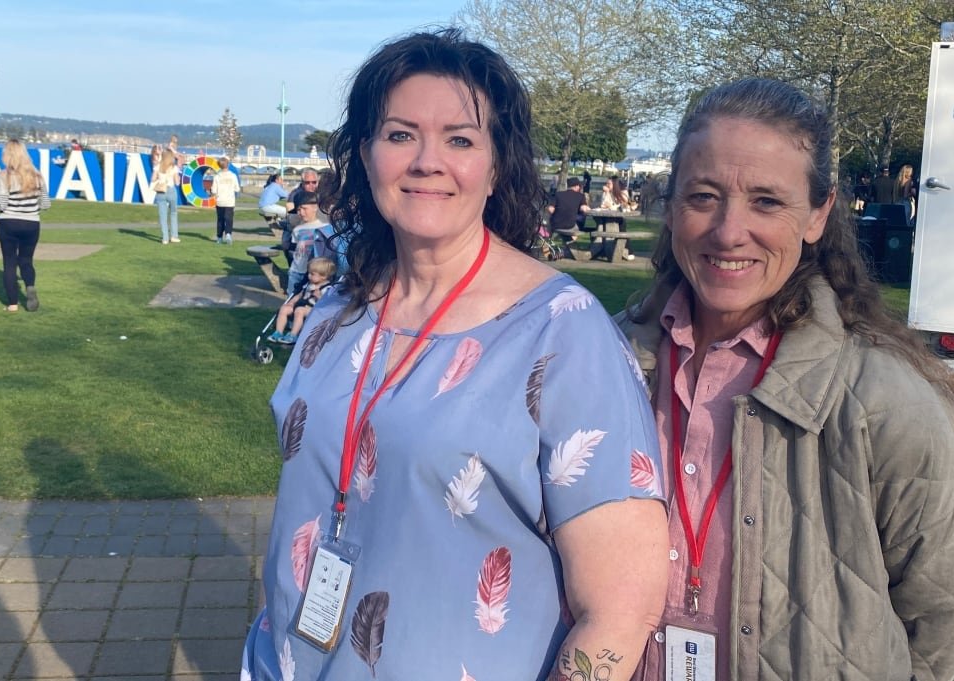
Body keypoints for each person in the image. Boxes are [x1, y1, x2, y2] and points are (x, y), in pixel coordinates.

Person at [241, 28, 668, 681]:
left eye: (460, 139)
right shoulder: (334, 314)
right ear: (366, 152)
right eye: (400, 134)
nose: (426, 160)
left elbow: (620, 609)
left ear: (497, 166)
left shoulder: (562, 334)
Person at [616, 79, 954, 681]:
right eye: (704, 196)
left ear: (819, 213)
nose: (729, 230)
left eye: (766, 201)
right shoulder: (604, 360)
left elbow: (946, 611)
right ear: (672, 205)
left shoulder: (884, 396)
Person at [0, 139, 52, 312]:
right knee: (26, 260)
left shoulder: (4, 175)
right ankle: (30, 286)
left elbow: (2, 204)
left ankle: (12, 304)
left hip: (9, 222)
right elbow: (45, 204)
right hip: (31, 223)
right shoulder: (37, 175)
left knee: (9, 263)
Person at [268, 256, 336, 345]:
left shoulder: (327, 288)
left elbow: (327, 304)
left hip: (315, 309)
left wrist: (319, 296)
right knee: (284, 308)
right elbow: (300, 294)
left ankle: (293, 335)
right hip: (302, 305)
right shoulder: (309, 284)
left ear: (323, 276)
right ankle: (278, 332)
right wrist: (291, 303)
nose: (309, 276)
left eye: (312, 274)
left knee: (299, 311)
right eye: (309, 273)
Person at [285, 195, 327, 295]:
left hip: (315, 274)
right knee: (291, 299)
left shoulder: (325, 227)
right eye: (298, 210)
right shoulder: (297, 229)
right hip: (296, 271)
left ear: (315, 207)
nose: (301, 213)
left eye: (304, 208)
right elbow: (294, 250)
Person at [547, 176, 589, 259]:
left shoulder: (558, 194)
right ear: (577, 186)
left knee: (550, 223)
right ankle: (567, 251)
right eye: (579, 186)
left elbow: (551, 210)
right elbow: (583, 209)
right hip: (570, 224)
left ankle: (549, 244)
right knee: (576, 229)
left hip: (556, 224)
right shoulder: (580, 196)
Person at [150, 150, 181, 244]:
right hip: (171, 190)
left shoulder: (158, 166)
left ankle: (165, 238)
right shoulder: (173, 167)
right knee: (173, 213)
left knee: (163, 216)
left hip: (160, 192)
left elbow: (153, 179)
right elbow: (177, 182)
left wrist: (160, 179)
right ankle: (174, 236)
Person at [210, 157, 241, 245]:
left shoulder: (216, 177)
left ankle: (219, 237)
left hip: (220, 201)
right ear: (228, 164)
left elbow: (214, 191)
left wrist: (214, 194)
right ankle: (228, 234)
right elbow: (237, 189)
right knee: (229, 219)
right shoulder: (233, 176)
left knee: (220, 220)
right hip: (230, 201)